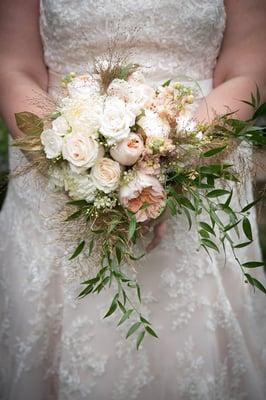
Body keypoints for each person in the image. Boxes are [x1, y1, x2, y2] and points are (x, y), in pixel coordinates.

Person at [0, 1, 266, 399]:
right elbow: (14, 66)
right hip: (59, 176)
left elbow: (247, 67)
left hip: (202, 161)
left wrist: (170, 164)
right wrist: (80, 160)